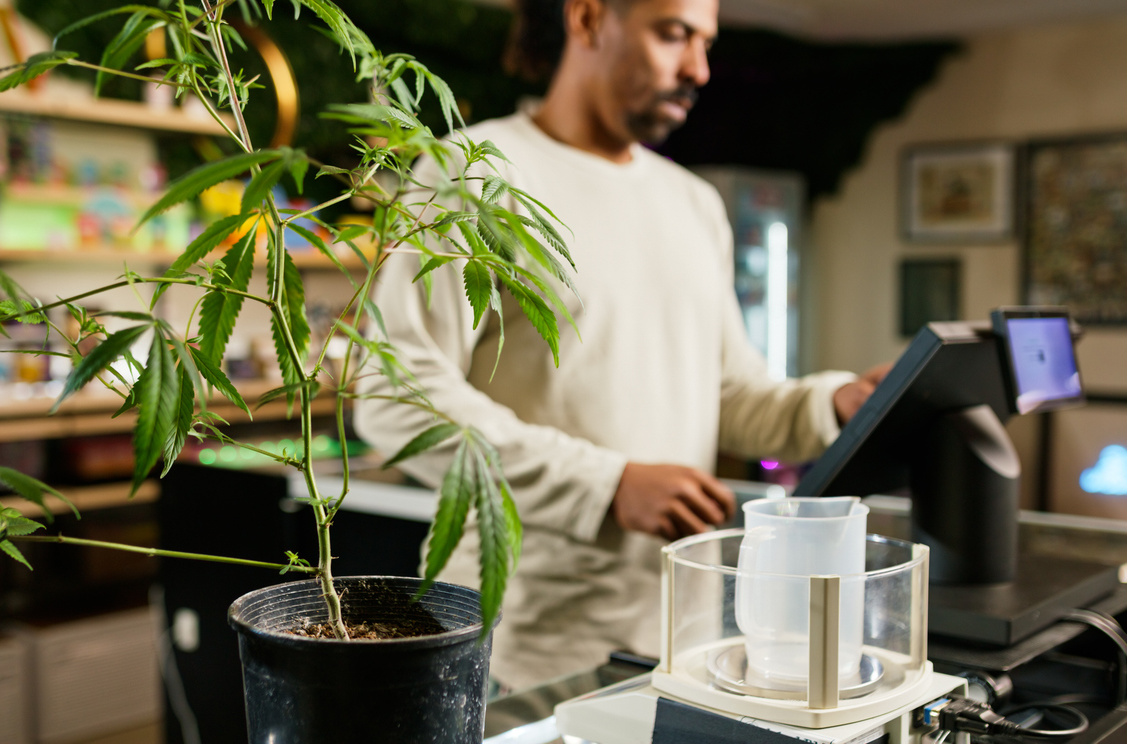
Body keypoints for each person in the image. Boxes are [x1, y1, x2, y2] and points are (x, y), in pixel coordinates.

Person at [354, 0, 887, 690]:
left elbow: (729, 395)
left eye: (705, 42)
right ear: (587, 19)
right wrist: (605, 485)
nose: (698, 68)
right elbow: (395, 397)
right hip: (523, 651)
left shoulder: (693, 202)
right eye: (673, 34)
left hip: (684, 643)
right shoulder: (472, 173)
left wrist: (835, 403)